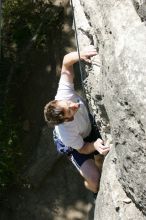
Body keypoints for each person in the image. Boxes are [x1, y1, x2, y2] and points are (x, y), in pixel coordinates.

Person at [44, 45, 110, 196]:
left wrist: (80, 54)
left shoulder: (63, 95)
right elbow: (82, 148)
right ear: (67, 120)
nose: (74, 105)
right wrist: (94, 145)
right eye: (70, 110)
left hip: (87, 126)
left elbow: (66, 63)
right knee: (95, 181)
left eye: (68, 104)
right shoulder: (67, 133)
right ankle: (90, 188)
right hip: (77, 145)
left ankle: (98, 158)